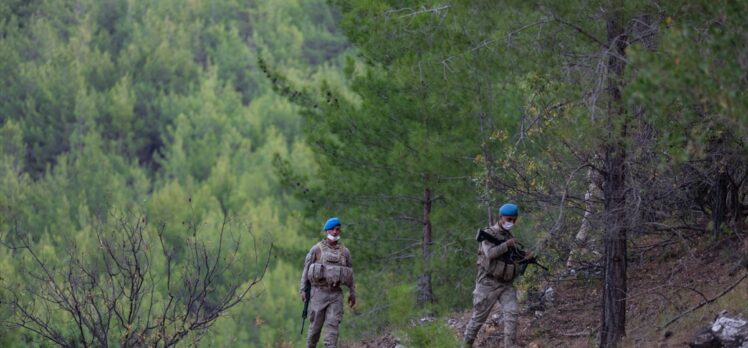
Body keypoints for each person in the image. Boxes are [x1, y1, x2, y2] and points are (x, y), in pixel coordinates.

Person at [463, 203, 533, 348]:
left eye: (514, 220)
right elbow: (490, 254)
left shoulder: (509, 236)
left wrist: (524, 257)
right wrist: (506, 245)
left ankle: (510, 344)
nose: (511, 223)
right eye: (509, 219)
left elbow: (510, 260)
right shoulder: (489, 234)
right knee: (478, 318)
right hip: (487, 283)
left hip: (506, 284)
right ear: (500, 217)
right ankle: (465, 344)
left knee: (512, 312)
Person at [300, 217, 356, 348]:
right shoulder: (316, 249)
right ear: (327, 231)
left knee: (332, 327)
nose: (336, 232)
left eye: (338, 229)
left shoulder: (344, 252)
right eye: (334, 229)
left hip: (336, 294)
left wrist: (352, 293)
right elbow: (306, 271)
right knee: (315, 329)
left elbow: (350, 273)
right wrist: (303, 290)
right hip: (318, 293)